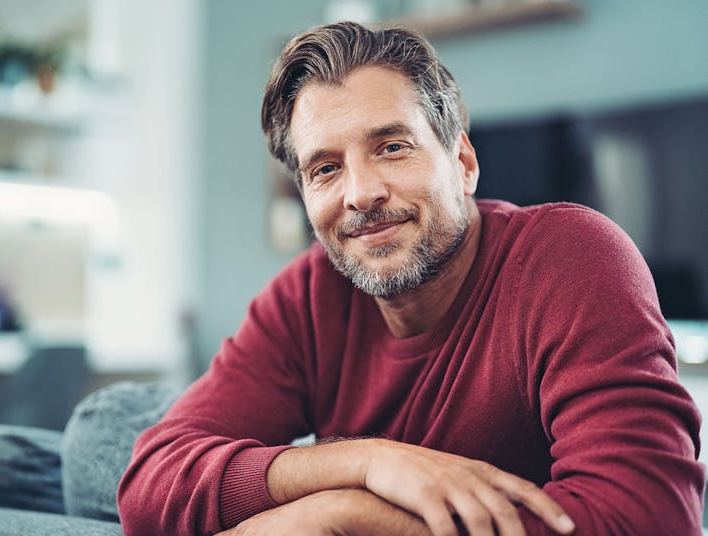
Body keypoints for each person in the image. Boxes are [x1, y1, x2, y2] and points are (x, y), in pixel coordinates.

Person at [117, 21, 705, 535]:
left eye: (392, 147)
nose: (360, 193)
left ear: (463, 164)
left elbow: (652, 520)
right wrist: (367, 462)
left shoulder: (570, 256)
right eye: (325, 169)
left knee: (99, 438)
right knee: (107, 435)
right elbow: (147, 486)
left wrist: (347, 516)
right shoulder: (308, 294)